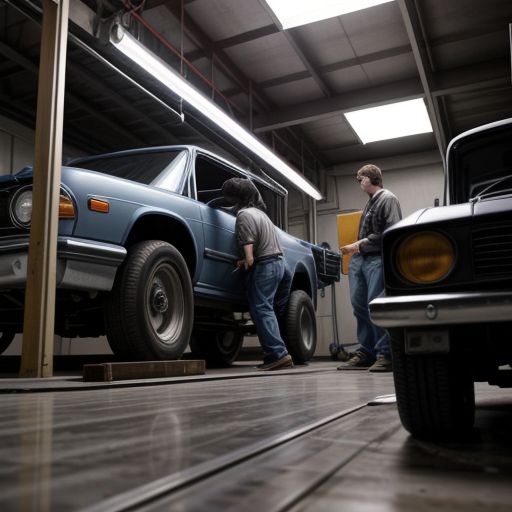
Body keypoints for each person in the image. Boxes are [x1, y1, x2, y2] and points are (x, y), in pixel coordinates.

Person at [222, 177, 293, 371]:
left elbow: (250, 257)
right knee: (270, 310)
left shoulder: (244, 215)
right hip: (281, 264)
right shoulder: (261, 215)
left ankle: (277, 355)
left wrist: (243, 260)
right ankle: (279, 353)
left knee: (261, 309)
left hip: (266, 265)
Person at [338, 164, 402, 372]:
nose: (360, 182)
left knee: (376, 306)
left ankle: (386, 353)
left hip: (377, 258)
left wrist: (357, 245)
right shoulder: (370, 203)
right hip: (362, 259)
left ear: (373, 178)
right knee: (359, 306)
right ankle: (367, 352)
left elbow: (391, 232)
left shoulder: (388, 198)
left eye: (362, 177)